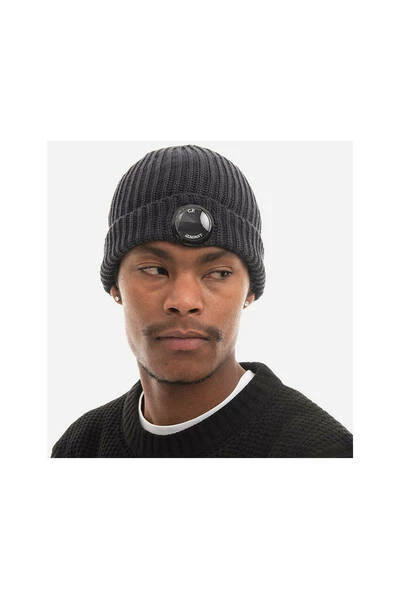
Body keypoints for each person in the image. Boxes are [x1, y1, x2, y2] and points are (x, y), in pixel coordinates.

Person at [51, 144, 353, 458]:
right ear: (116, 285)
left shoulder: (321, 453)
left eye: (218, 273)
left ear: (249, 291)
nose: (184, 301)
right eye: (155, 269)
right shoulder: (80, 447)